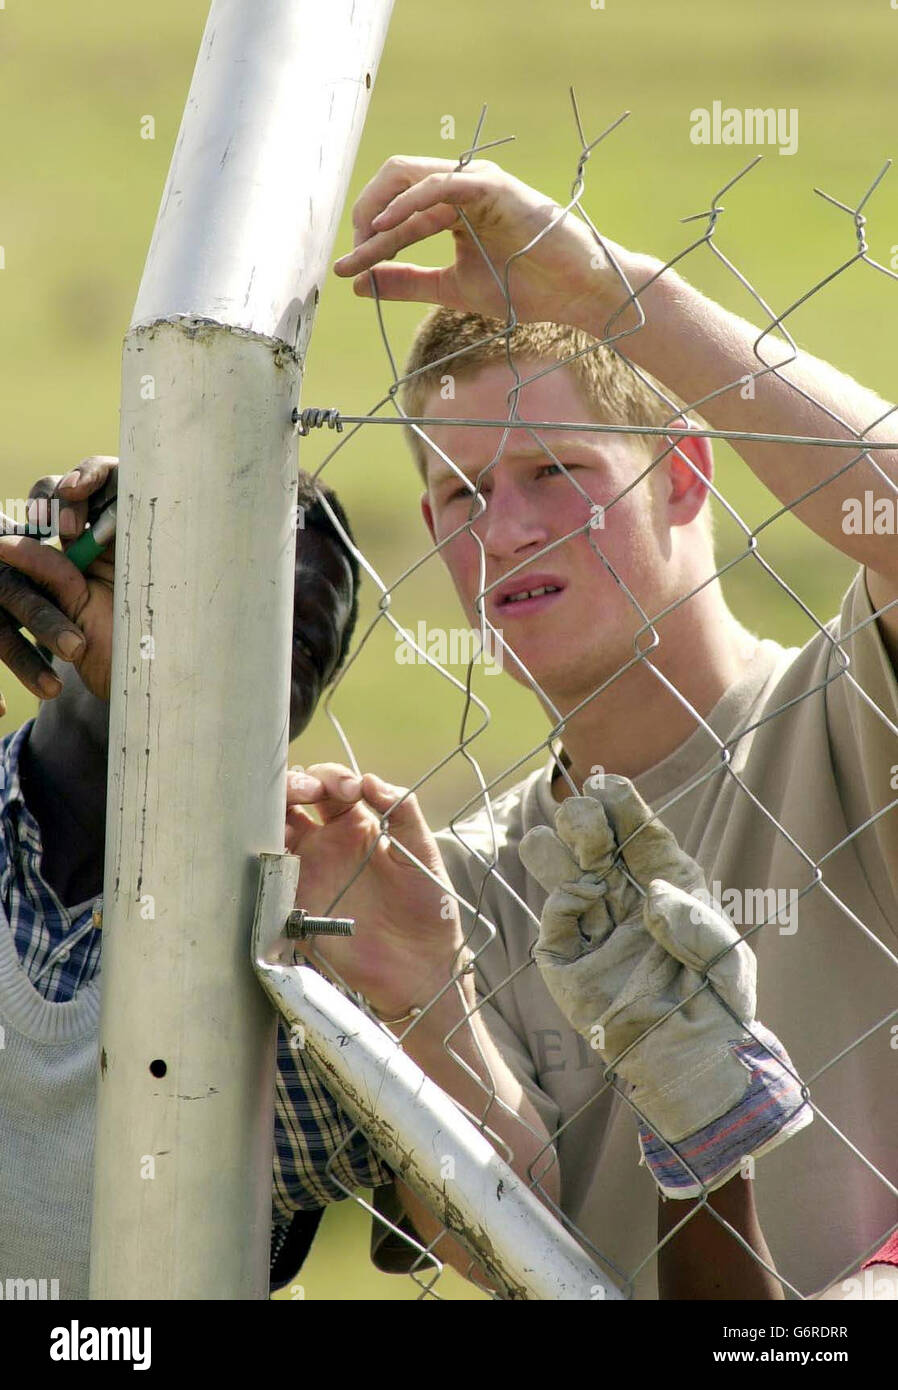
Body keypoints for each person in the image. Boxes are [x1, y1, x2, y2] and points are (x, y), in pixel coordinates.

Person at [276, 155, 897, 1299]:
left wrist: (617, 299)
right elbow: (513, 1241)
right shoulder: (450, 883)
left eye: (556, 471)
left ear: (683, 479)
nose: (506, 531)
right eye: (463, 495)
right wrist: (426, 1003)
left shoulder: (849, 710)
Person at [0, 459, 395, 1298]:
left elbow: (470, 1212)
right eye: (220, 594)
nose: (246, 668)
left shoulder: (291, 969)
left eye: (297, 647)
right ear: (77, 580)